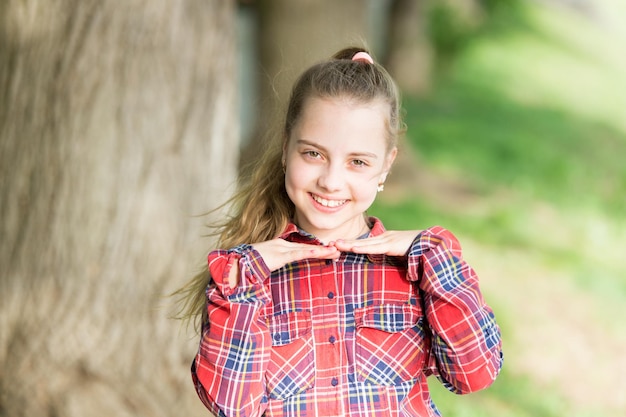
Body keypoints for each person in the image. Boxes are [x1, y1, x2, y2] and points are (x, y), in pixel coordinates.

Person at [177, 47, 503, 417]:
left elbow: (474, 374)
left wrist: (433, 257)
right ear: (286, 149)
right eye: (313, 154)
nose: (331, 181)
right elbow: (231, 406)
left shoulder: (414, 269)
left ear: (386, 166)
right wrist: (244, 282)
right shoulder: (248, 279)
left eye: (358, 162)